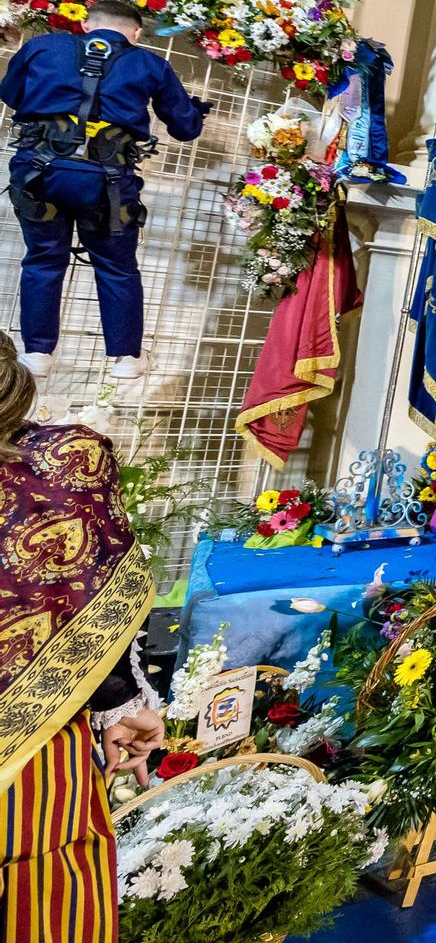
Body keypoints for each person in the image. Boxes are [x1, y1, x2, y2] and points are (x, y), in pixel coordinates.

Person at [0, 332, 165, 939]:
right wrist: (118, 700)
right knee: (47, 897)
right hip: (32, 768)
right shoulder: (61, 466)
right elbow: (74, 597)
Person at [2, 0, 209, 378]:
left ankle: (38, 354)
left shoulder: (42, 46)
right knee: (116, 266)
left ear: (86, 24)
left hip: (39, 175)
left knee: (43, 260)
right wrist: (196, 109)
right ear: (136, 33)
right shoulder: (150, 63)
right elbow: (186, 128)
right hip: (107, 182)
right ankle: (126, 359)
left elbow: (11, 94)